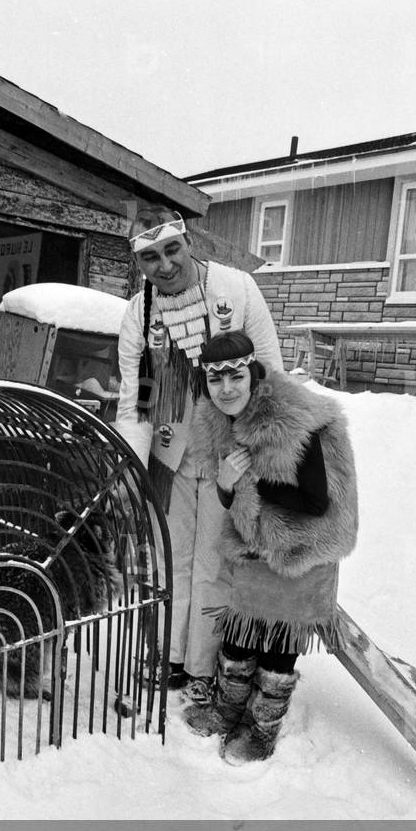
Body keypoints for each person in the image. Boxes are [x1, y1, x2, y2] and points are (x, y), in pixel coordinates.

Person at [115, 206, 283, 703]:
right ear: (139, 264)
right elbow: (134, 401)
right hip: (171, 452)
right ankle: (168, 655)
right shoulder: (136, 315)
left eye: (171, 250)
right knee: (171, 558)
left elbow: (269, 371)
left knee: (213, 561)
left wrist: (263, 450)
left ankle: (203, 667)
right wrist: (132, 469)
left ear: (188, 242)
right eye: (149, 258)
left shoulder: (235, 288)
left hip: (227, 454)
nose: (164, 266)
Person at [184, 330, 358, 763]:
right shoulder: (216, 420)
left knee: (278, 643)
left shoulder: (291, 419)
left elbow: (318, 501)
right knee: (241, 636)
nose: (226, 389)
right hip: (255, 540)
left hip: (302, 546)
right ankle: (226, 711)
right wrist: (226, 484)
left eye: (235, 377)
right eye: (215, 379)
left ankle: (261, 730)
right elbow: (234, 496)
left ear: (253, 373)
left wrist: (254, 480)